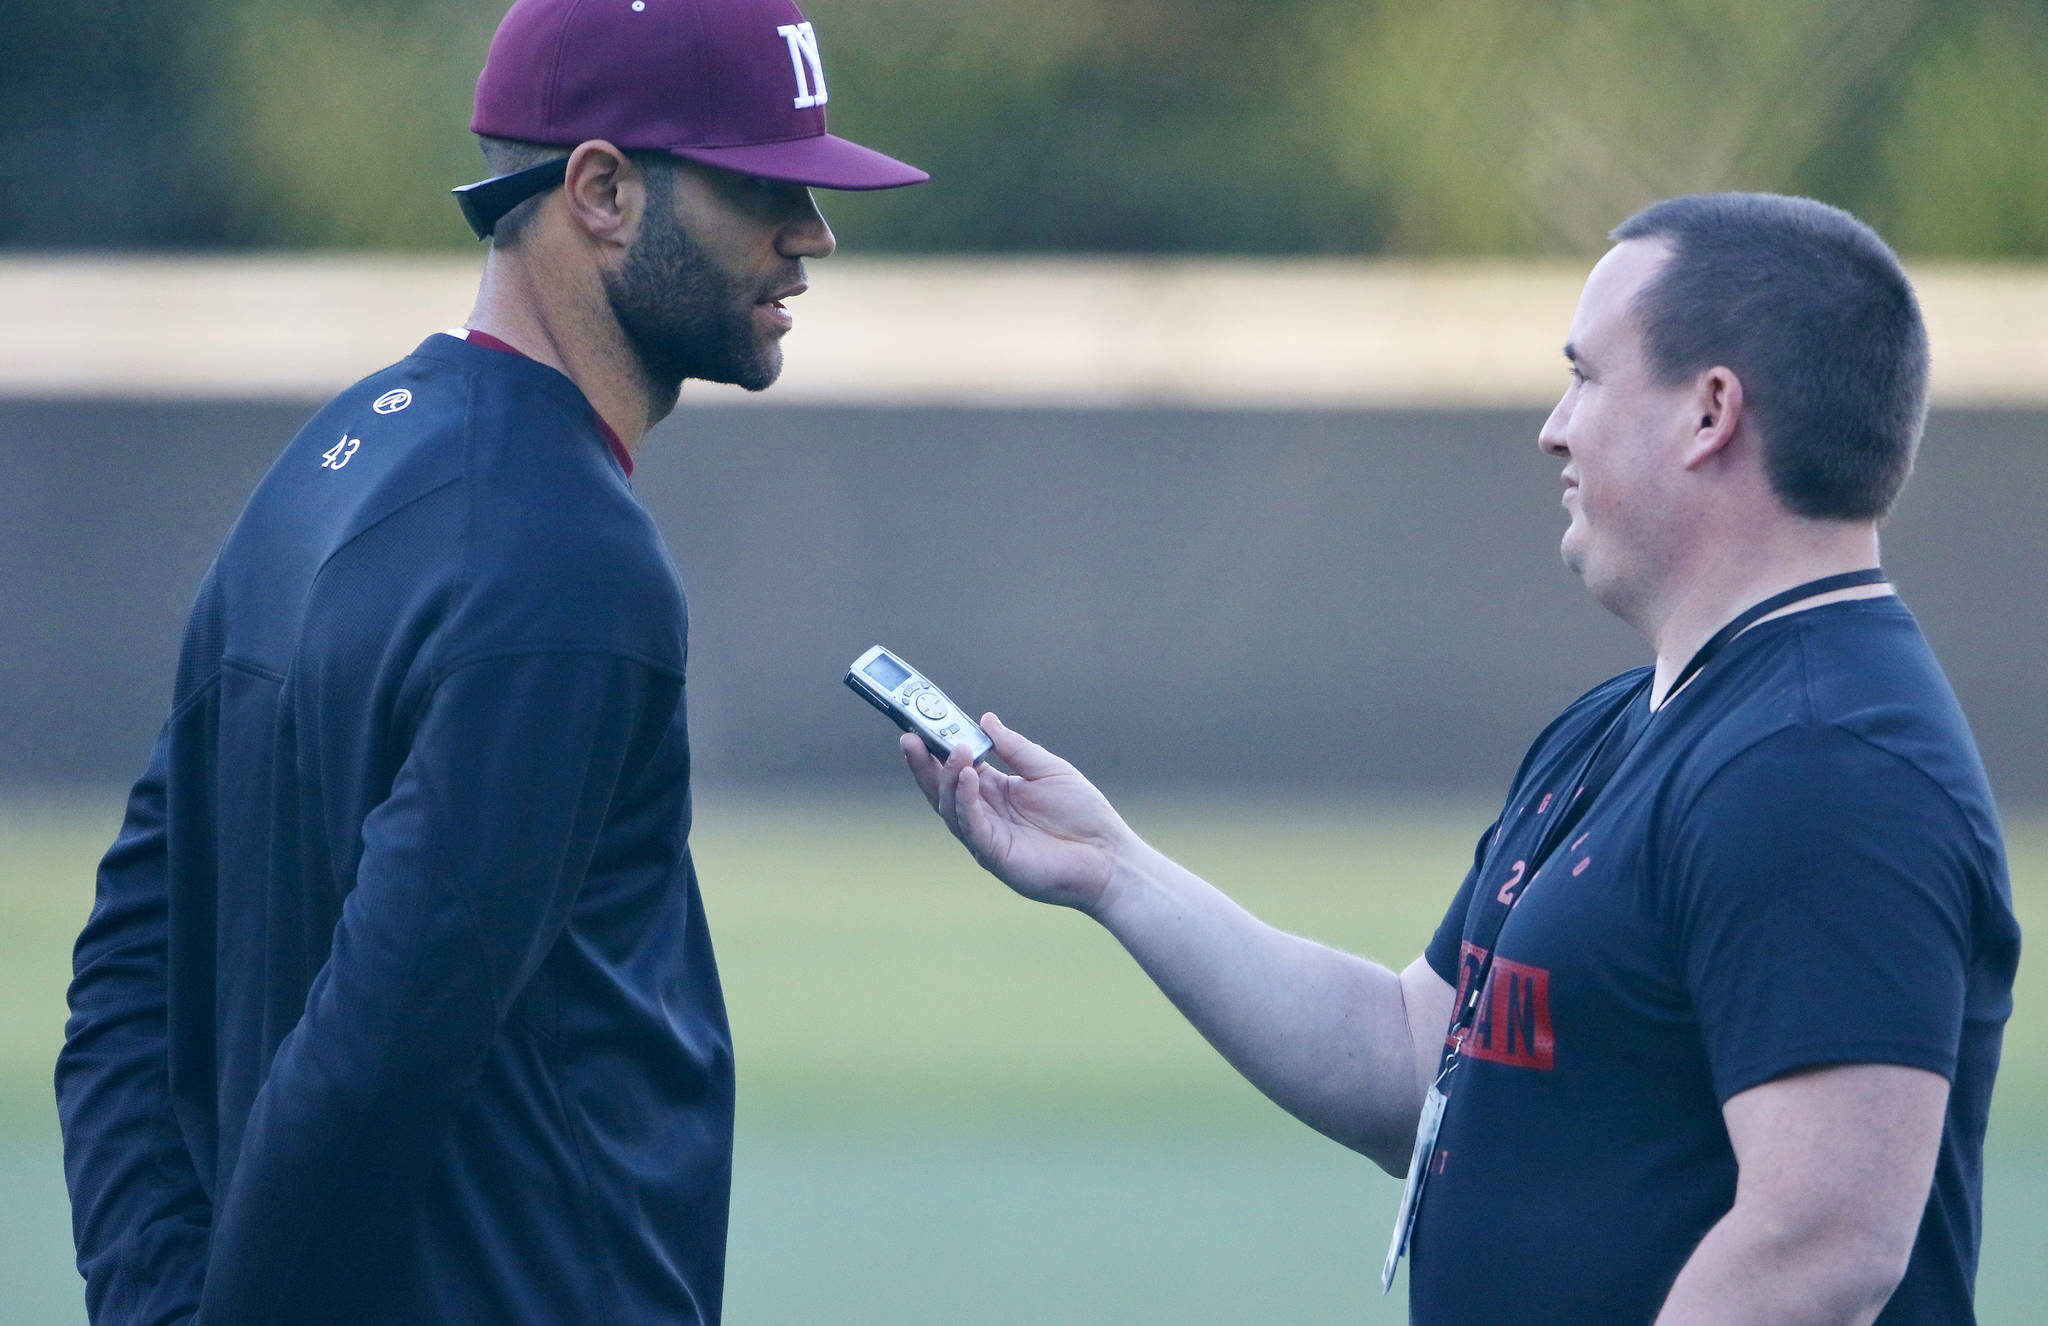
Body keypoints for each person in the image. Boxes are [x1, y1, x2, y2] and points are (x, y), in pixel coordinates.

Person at [901, 193, 2019, 1325]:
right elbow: (1411, 1057)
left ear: (1707, 412)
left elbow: (1820, 1245)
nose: (1553, 426)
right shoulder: (1631, 724)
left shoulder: (1821, 761)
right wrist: (1113, 869)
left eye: (1584, 375)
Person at [54, 2, 924, 1322]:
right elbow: (375, 1057)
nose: (812, 231)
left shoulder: (330, 464)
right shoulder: (569, 560)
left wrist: (155, 1298)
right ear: (601, 189)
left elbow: (126, 977)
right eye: (762, 184)